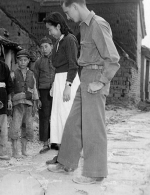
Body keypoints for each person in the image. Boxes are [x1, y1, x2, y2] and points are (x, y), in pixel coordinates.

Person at [47, 0, 120, 185]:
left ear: (75, 6)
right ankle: (67, 163)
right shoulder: (84, 27)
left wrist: (101, 82)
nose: (68, 17)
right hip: (86, 76)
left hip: (96, 77)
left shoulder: (98, 24)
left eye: (68, 12)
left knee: (93, 127)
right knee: (73, 123)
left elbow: (112, 58)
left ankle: (95, 173)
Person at [43, 12, 80, 151]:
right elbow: (57, 66)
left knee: (67, 114)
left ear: (58, 26)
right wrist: (54, 84)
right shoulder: (58, 42)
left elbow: (73, 65)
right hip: (59, 80)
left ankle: (71, 151)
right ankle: (62, 151)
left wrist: (68, 85)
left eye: (50, 29)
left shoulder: (70, 39)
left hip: (68, 80)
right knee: (57, 114)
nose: (49, 32)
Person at [9, 49, 39, 158]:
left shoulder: (31, 74)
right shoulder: (13, 74)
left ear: (28, 61)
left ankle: (24, 150)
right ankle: (15, 151)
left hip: (29, 104)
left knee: (26, 127)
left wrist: (35, 101)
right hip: (17, 104)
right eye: (20, 60)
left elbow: (34, 88)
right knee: (16, 126)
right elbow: (10, 88)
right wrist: (9, 100)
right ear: (17, 61)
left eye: (25, 60)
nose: (22, 62)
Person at [33, 37, 55, 154]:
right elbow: (35, 79)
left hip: (56, 91)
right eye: (41, 47)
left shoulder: (58, 59)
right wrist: (38, 98)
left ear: (51, 46)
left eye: (46, 46)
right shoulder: (38, 62)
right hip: (43, 92)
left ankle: (56, 142)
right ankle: (45, 143)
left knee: (57, 116)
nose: (44, 49)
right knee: (44, 117)